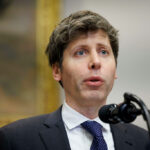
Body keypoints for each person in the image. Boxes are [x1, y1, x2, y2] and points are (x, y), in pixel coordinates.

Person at [0, 10, 149, 150]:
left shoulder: (144, 142)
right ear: (57, 70)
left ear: (115, 69)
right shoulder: (15, 140)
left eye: (103, 51)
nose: (96, 62)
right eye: (81, 52)